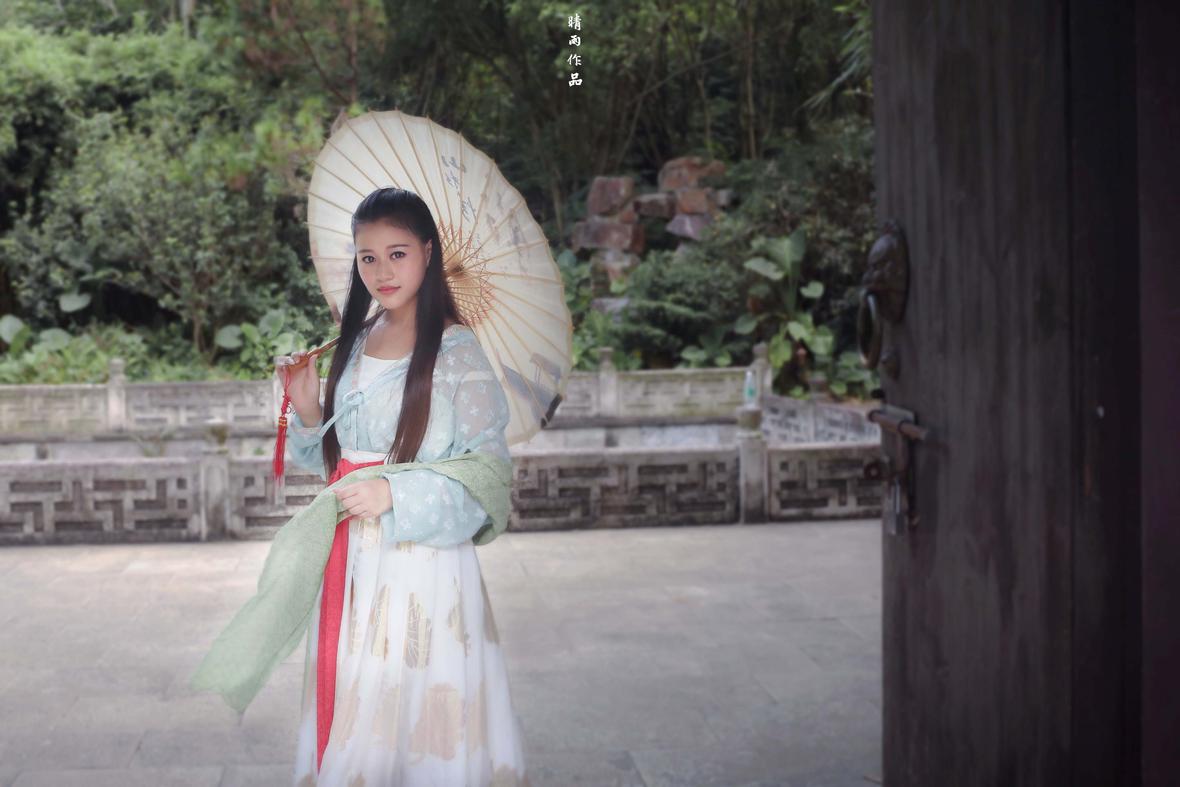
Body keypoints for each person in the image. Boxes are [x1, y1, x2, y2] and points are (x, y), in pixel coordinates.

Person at [276, 187, 530, 786]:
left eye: (397, 254)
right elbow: (337, 458)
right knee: (353, 697)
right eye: (368, 257)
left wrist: (395, 494)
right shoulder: (356, 342)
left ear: (428, 252)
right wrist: (309, 407)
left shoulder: (457, 353)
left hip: (422, 566)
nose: (382, 272)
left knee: (410, 709)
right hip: (351, 556)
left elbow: (488, 474)